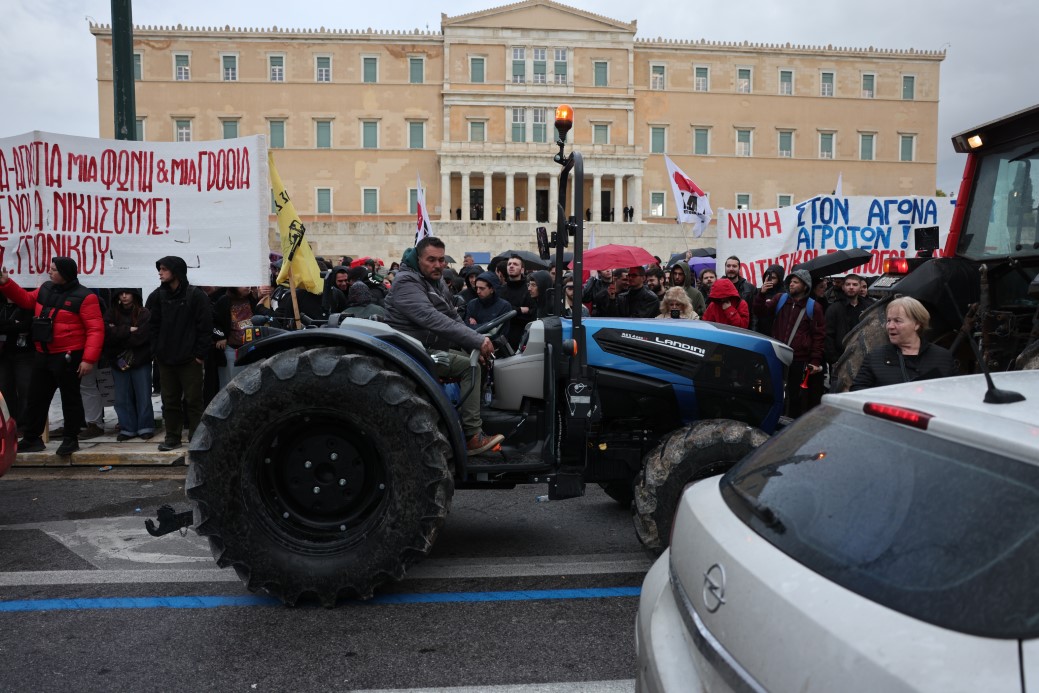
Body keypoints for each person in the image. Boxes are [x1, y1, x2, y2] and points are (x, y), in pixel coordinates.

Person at [384, 237, 504, 455]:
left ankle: (469, 416)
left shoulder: (434, 281)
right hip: (412, 352)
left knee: (477, 358)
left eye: (441, 260)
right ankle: (472, 435)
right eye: (431, 260)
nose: (438, 265)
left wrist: (472, 342)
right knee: (470, 366)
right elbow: (431, 319)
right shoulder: (406, 282)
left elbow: (451, 316)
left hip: (427, 346)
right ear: (418, 259)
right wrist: (475, 341)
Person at [0, 257, 104, 456]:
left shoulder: (85, 297)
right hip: (43, 353)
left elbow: (95, 330)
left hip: (68, 355)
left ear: (65, 273)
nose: (49, 272)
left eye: (54, 269)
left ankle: (70, 439)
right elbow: (26, 300)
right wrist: (7, 284)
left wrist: (88, 359)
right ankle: (32, 438)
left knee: (70, 399)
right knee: (36, 398)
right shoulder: (46, 288)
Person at [147, 256, 213, 451]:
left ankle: (197, 438)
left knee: (194, 401)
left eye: (164, 269)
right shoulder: (157, 296)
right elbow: (151, 326)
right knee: (169, 401)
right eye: (159, 268)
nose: (160, 272)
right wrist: (156, 352)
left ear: (175, 272)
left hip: (190, 360)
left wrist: (199, 354)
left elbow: (205, 327)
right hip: (166, 360)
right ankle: (172, 437)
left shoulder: (195, 295)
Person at [753, 269, 825, 418]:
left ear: (805, 286)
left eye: (796, 282)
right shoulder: (780, 299)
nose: (791, 284)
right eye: (790, 281)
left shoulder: (814, 307)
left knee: (795, 396)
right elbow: (760, 312)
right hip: (777, 355)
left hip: (799, 359)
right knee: (772, 390)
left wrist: (815, 361)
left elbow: (818, 336)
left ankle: (790, 424)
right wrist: (761, 294)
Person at [851, 296, 957, 390]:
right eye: (888, 320)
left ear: (917, 324)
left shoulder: (943, 357)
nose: (890, 326)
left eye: (897, 321)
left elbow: (955, 392)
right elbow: (857, 391)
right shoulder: (875, 358)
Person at [104, 288, 156, 441]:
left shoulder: (144, 313)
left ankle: (145, 426)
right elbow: (106, 333)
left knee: (143, 395)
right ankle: (127, 428)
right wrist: (128, 330)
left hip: (141, 359)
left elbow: (142, 336)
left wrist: (118, 333)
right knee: (121, 397)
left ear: (134, 294)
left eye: (127, 293)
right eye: (121, 293)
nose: (124, 296)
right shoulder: (111, 312)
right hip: (117, 361)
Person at [213, 287, 265, 389]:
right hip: (232, 349)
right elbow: (214, 321)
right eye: (243, 284)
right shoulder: (224, 300)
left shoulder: (253, 299)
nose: (247, 286)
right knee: (231, 385)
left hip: (252, 349)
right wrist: (220, 336)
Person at [0, 293, 34, 429]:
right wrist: (12, 324)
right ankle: (9, 423)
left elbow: (27, 325)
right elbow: (20, 326)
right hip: (3, 354)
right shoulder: (2, 303)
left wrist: (8, 326)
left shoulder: (27, 302)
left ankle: (24, 424)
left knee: (25, 388)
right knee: (4, 389)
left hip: (23, 353)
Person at [824, 273, 870, 367]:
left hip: (864, 358)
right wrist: (834, 359)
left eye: (855, 284)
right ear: (843, 287)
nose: (851, 287)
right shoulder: (834, 308)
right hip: (840, 359)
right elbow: (828, 335)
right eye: (848, 284)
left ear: (860, 287)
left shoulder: (868, 307)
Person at [499, 255, 535, 349]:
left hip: (523, 338)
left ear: (522, 270)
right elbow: (500, 311)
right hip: (503, 339)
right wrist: (519, 310)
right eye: (509, 264)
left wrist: (511, 311)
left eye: (515, 264)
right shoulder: (500, 290)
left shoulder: (529, 290)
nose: (511, 266)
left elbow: (531, 313)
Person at [752, 264, 784, 335]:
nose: (770, 280)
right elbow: (755, 312)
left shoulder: (784, 294)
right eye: (768, 277)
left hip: (777, 333)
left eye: (773, 278)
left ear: (779, 279)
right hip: (760, 332)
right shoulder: (759, 291)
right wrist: (762, 294)